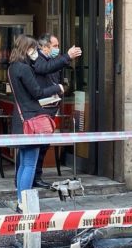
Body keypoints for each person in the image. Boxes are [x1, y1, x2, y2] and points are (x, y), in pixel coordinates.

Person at [8, 34, 65, 206]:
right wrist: (58, 88)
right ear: (27, 49)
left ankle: (20, 201)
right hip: (31, 119)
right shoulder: (25, 69)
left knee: (24, 164)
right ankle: (24, 203)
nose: (35, 52)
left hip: (20, 120)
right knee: (30, 165)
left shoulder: (12, 67)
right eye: (33, 48)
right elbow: (38, 93)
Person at [31, 33, 82, 188]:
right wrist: (67, 56)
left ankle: (36, 176)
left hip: (50, 108)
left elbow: (55, 70)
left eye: (58, 46)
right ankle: (31, 178)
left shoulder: (52, 60)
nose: (57, 49)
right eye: (55, 46)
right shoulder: (37, 59)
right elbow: (44, 69)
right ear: (44, 47)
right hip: (40, 110)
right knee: (34, 146)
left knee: (43, 145)